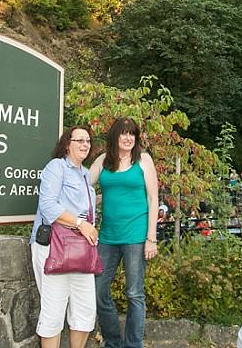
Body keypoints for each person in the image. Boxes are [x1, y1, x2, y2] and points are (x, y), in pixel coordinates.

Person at [90, 117, 159, 348]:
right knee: (98, 291)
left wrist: (151, 238)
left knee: (134, 293)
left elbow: (153, 199)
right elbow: (82, 187)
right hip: (107, 236)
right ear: (115, 136)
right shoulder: (103, 161)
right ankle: (112, 342)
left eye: (132, 134)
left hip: (136, 236)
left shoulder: (144, 160)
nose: (128, 138)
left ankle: (132, 345)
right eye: (124, 133)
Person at [30, 125, 100, 348]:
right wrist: (81, 224)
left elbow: (81, 206)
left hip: (82, 248)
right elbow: (49, 206)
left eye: (88, 141)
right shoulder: (56, 167)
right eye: (79, 140)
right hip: (54, 246)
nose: (85, 145)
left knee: (85, 310)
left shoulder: (85, 173)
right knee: (53, 311)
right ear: (66, 144)